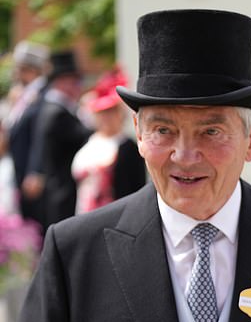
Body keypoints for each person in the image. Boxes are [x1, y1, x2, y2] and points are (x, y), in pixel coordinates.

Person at [2, 9, 251, 322]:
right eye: (163, 130)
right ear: (137, 133)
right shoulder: (75, 252)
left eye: (211, 130)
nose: (184, 155)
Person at [27, 50, 92, 231]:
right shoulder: (58, 113)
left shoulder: (54, 108)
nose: (79, 87)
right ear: (62, 83)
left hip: (57, 189)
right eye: (75, 82)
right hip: (63, 192)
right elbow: (85, 136)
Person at [71, 67, 146, 214]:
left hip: (114, 217)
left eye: (111, 112)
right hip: (84, 216)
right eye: (103, 112)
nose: (107, 117)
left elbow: (135, 189)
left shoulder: (128, 147)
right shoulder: (88, 141)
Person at [5, 41, 50, 224]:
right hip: (18, 171)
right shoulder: (23, 95)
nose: (16, 73)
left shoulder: (42, 95)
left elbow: (40, 135)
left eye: (20, 68)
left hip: (31, 177)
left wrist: (36, 170)